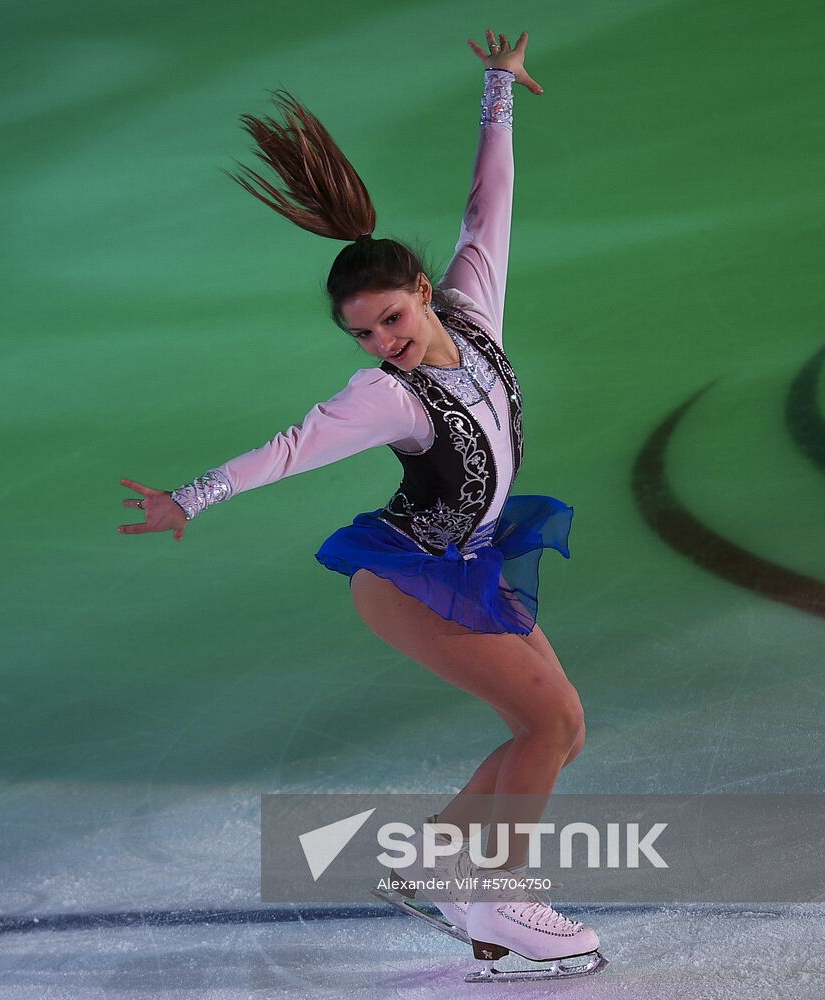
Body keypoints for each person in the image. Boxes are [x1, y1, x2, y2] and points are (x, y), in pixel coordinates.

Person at [119, 29, 602, 978]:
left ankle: (438, 861)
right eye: (362, 332)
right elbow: (291, 448)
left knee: (561, 728)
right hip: (408, 577)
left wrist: (496, 89)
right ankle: (503, 904)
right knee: (546, 725)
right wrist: (191, 497)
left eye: (392, 317)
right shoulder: (386, 394)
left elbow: (486, 205)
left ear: (424, 293)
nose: (382, 339)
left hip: (465, 561)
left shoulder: (472, 306)